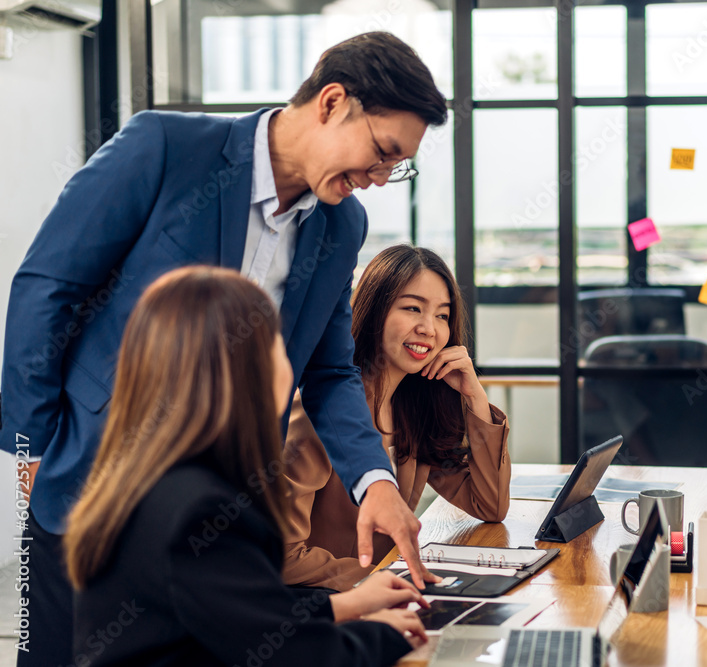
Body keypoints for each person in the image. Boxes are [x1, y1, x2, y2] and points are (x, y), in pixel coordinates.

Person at [0, 31, 446, 665]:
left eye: (396, 166)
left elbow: (326, 369)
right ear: (332, 102)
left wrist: (374, 480)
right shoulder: (166, 149)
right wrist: (30, 446)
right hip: (90, 474)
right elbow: (48, 288)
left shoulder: (341, 224)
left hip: (219, 498)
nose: (378, 179)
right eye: (380, 152)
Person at [63, 266, 428, 666]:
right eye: (278, 347)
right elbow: (291, 653)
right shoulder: (203, 511)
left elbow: (241, 614)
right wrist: (388, 634)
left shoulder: (141, 479)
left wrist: (346, 605)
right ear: (244, 370)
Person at [282, 245, 511, 590]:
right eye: (412, 308)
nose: (429, 329)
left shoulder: (413, 411)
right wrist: (389, 580)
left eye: (442, 315)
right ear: (374, 311)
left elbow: (489, 505)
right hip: (322, 612)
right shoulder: (319, 414)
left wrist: (475, 398)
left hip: (385, 604)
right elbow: (282, 559)